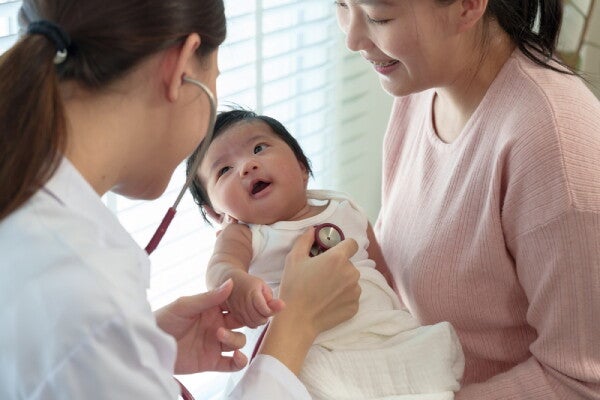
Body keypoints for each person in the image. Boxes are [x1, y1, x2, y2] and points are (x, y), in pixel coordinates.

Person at [0, 1, 363, 399]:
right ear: (183, 68)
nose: (245, 167)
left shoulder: (38, 229)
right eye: (216, 77)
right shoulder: (85, 297)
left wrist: (146, 346)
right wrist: (296, 324)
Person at [335, 0, 600, 398]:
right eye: (339, 3)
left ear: (468, 6)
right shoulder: (421, 87)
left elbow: (580, 382)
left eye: (378, 16)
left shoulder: (554, 148)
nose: (352, 38)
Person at [187, 108, 465, 399]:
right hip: (316, 349)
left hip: (381, 333)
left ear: (301, 166)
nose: (247, 166)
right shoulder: (244, 234)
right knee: (309, 374)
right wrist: (238, 284)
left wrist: (398, 308)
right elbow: (220, 267)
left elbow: (381, 269)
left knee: (424, 356)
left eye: (259, 148)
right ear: (216, 213)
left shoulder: (343, 205)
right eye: (224, 170)